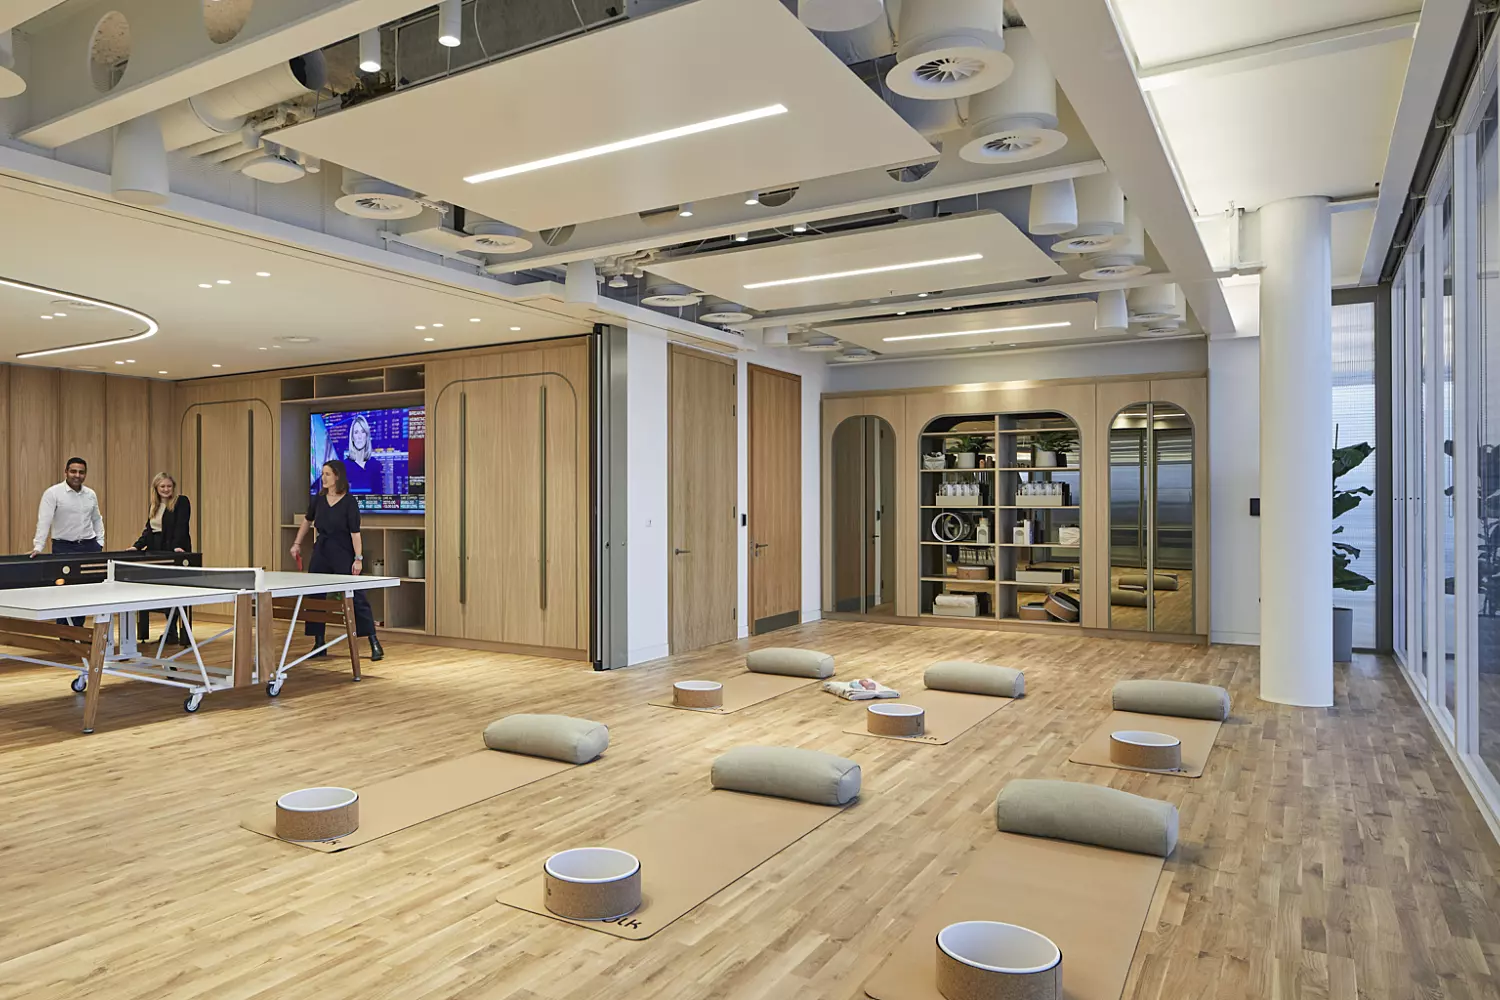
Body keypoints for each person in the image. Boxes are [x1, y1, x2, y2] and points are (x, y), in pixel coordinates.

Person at [289, 459, 383, 661]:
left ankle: (373, 642)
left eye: (327, 474)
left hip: (343, 552)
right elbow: (307, 522)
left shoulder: (349, 502)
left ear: (337, 477)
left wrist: (358, 559)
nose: (323, 478)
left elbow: (355, 533)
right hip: (321, 550)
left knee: (356, 596)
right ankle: (319, 643)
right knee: (315, 595)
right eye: (322, 474)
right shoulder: (318, 499)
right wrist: (297, 544)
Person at [31, 457, 104, 627]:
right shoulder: (53, 493)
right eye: (73, 471)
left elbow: (97, 519)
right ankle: (64, 632)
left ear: (85, 474)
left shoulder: (90, 494)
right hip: (64, 547)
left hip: (89, 546)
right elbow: (44, 521)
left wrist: (100, 542)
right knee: (64, 593)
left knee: (85, 592)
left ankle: (78, 630)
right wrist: (38, 546)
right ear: (66, 472)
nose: (77, 475)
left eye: (81, 472)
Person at [132, 473, 192, 645]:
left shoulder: (181, 502)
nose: (166, 490)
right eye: (162, 487)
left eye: (169, 486)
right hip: (157, 550)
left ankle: (173, 631)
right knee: (162, 591)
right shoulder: (154, 506)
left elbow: (182, 526)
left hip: (174, 549)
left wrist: (176, 547)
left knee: (174, 591)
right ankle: (171, 631)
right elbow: (149, 530)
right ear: (156, 489)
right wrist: (137, 546)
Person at [342, 414, 378, 495]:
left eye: (363, 432)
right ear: (352, 437)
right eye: (356, 432)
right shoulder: (344, 466)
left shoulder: (375, 464)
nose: (359, 436)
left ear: (367, 436)